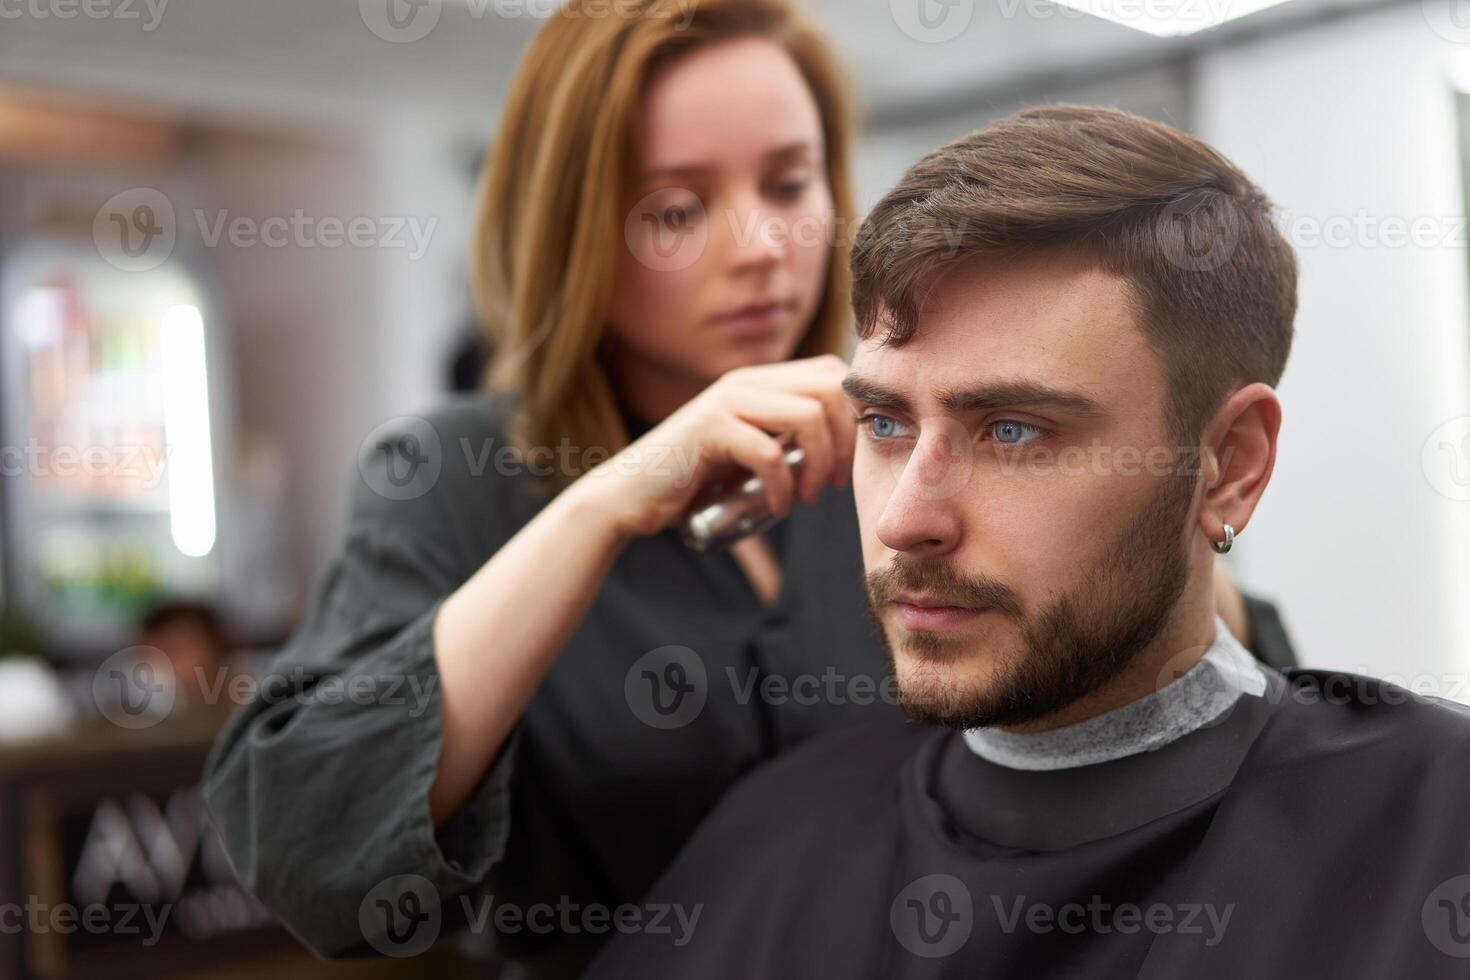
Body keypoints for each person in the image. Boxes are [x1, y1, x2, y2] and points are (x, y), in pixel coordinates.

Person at [200, 5, 1296, 976]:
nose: (765, 246)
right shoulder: (456, 479)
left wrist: (1153, 519)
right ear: (576, 227)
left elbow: (1231, 701)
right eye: (677, 209)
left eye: (788, 183)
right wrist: (604, 504)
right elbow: (309, 845)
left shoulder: (899, 451)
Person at [584, 105, 1470, 979]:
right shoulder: (775, 836)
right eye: (886, 424)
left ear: (1230, 465)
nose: (905, 520)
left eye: (1012, 431)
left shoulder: (1434, 827)